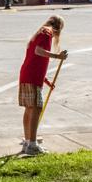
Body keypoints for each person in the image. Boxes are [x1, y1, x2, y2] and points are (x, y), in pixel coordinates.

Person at [18, 16, 68, 156]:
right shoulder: (47, 33)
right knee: (36, 108)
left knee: (30, 108)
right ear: (58, 28)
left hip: (28, 74)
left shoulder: (41, 32)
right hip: (32, 77)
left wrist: (46, 81)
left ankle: (28, 142)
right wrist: (58, 56)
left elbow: (35, 60)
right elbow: (38, 51)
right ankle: (32, 145)